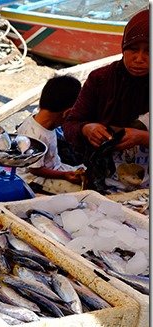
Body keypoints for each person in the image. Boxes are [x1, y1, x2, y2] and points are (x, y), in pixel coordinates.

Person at [62, 7, 149, 192]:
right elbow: (71, 124)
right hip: (104, 183)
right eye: (133, 50)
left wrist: (143, 137)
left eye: (149, 51)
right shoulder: (100, 79)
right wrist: (86, 129)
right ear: (123, 47)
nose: (139, 58)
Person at [16, 75, 86, 194]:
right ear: (67, 113)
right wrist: (64, 175)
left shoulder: (45, 124)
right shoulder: (34, 134)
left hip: (55, 168)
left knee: (87, 175)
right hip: (34, 178)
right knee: (83, 190)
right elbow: (34, 169)